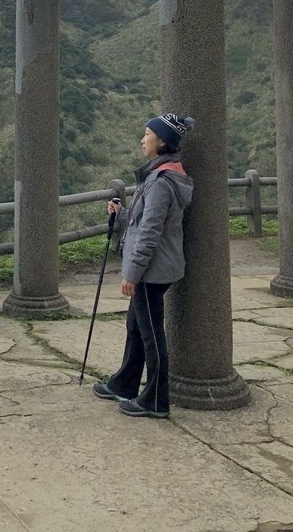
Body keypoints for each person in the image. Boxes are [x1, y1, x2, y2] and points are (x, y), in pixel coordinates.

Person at [92, 113, 194, 419]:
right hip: (156, 266)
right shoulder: (160, 176)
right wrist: (122, 214)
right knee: (136, 326)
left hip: (152, 271)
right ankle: (125, 382)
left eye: (147, 134)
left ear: (162, 141)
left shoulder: (162, 182)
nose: (143, 139)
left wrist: (132, 273)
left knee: (151, 334)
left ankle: (155, 400)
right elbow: (143, 221)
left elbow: (151, 233)